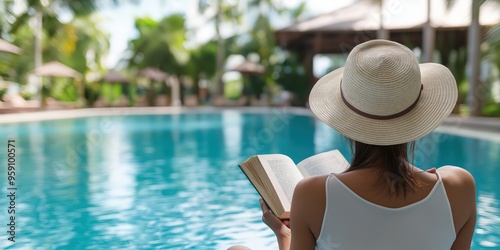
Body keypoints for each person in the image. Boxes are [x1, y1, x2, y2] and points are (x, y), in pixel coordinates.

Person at [230, 40, 476, 250]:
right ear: (419, 117)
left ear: (347, 120)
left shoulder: (312, 194)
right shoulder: (459, 186)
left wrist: (283, 234)